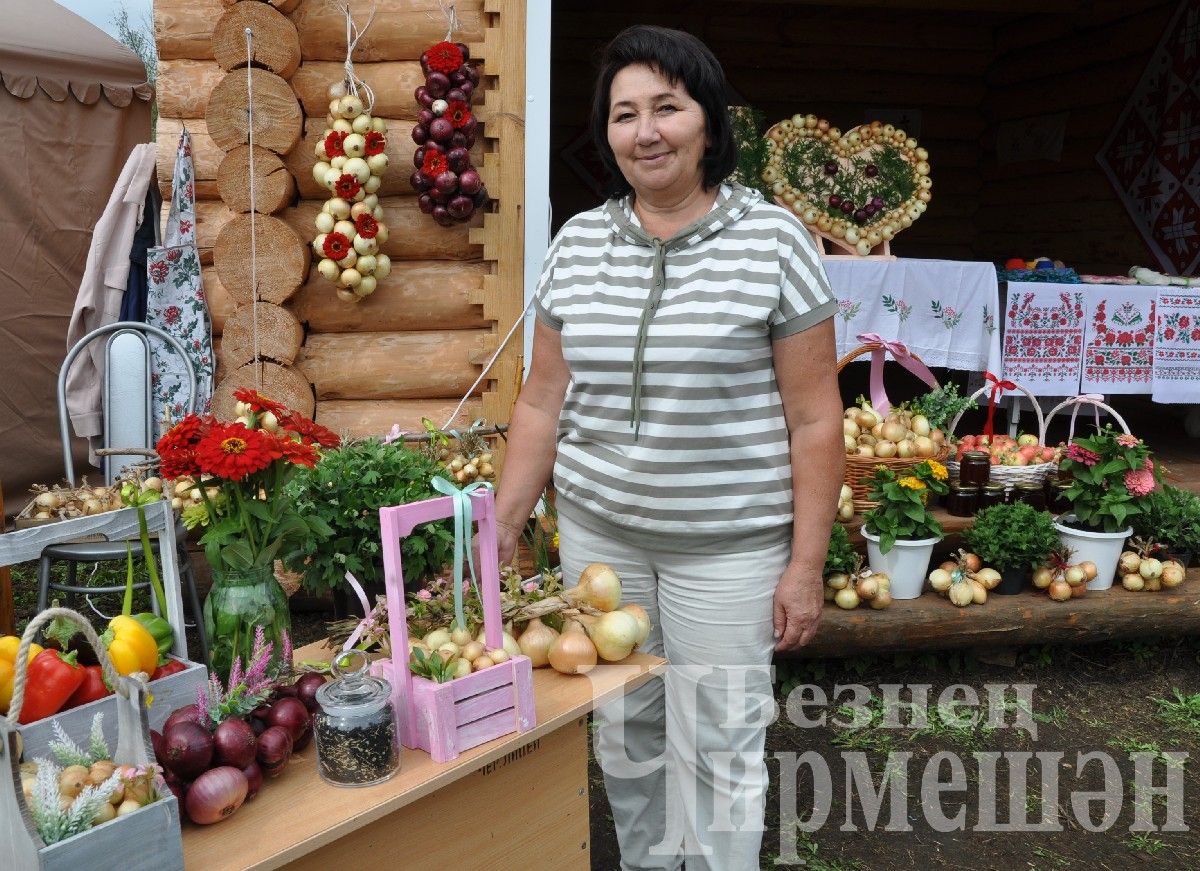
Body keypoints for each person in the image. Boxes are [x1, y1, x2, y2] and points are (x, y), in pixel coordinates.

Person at [493, 24, 845, 871]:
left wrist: (805, 564)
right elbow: (542, 398)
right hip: (600, 542)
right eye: (623, 114)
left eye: (667, 107)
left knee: (720, 737)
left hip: (728, 549)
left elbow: (815, 418)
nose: (645, 131)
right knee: (624, 727)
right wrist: (503, 522)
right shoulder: (575, 245)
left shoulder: (775, 242)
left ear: (709, 123)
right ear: (605, 132)